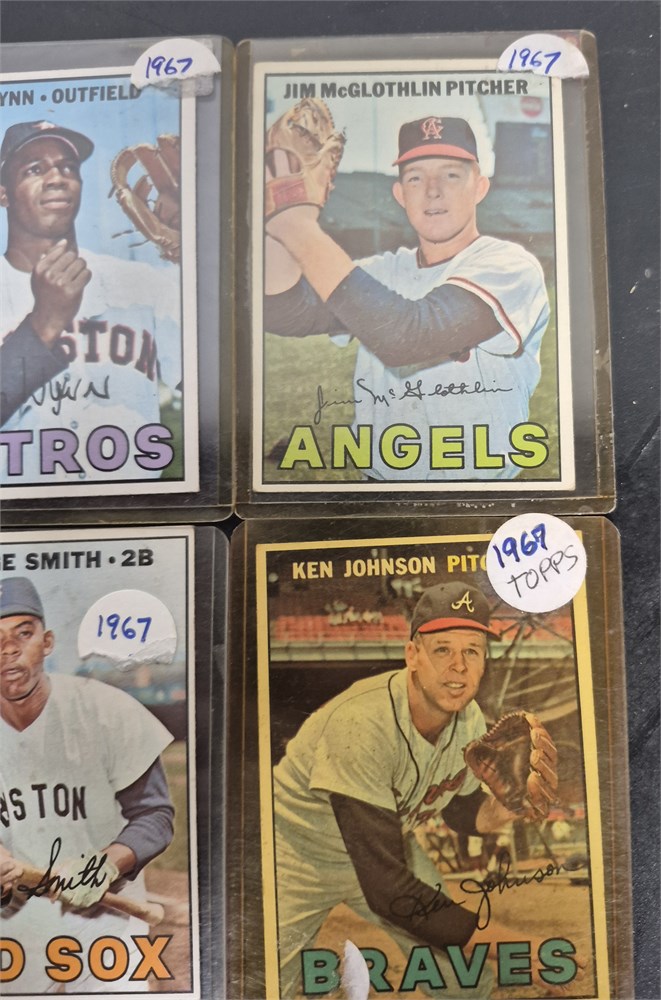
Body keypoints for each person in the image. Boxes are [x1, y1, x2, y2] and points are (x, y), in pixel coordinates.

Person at [272, 581, 576, 998]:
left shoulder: (469, 720)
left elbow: (458, 808)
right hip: (295, 855)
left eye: (472, 651)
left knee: (465, 983)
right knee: (265, 986)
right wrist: (514, 944)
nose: (459, 666)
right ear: (412, 655)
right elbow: (389, 890)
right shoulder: (361, 723)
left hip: (389, 850)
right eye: (443, 649)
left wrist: (504, 808)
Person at [264, 115, 550, 481]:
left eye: (451, 175)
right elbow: (286, 312)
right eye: (415, 178)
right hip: (381, 490)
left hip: (479, 494)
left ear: (479, 187)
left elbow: (409, 336)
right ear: (400, 194)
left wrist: (296, 225)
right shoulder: (381, 271)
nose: (433, 191)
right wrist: (273, 221)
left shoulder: (510, 265)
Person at [0, 577, 175, 993]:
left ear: (47, 642)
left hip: (107, 912)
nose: (8, 649)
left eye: (23, 633)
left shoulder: (105, 709)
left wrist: (106, 864)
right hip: (13, 918)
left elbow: (155, 815)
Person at [0, 120, 181, 485]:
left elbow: (215, 390)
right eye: (34, 169)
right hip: (18, 514)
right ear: (3, 193)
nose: (57, 178)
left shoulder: (143, 282)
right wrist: (44, 323)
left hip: (133, 508)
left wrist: (196, 257)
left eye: (68, 167)